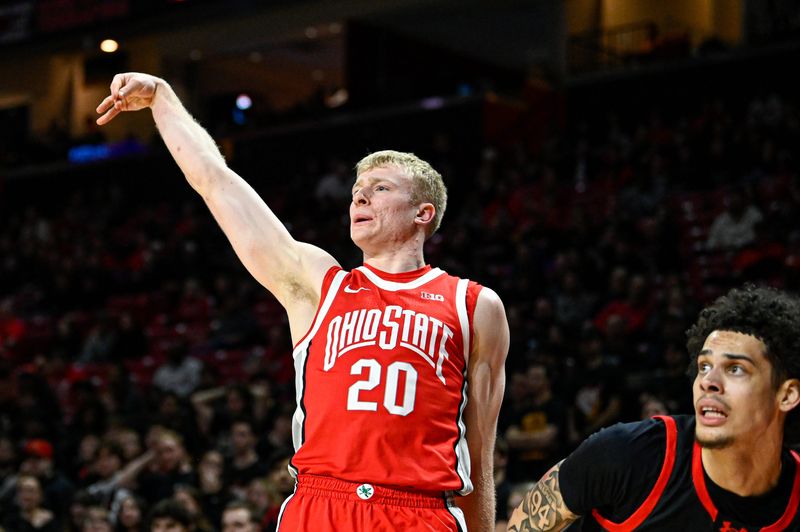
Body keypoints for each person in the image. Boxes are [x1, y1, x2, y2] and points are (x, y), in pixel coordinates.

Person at [96, 73, 509, 531]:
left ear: (423, 212)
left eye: (381, 188)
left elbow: (480, 451)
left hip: (419, 510)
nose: (360, 195)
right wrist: (163, 100)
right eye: (357, 189)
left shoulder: (475, 305)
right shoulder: (318, 283)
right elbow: (218, 183)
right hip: (320, 504)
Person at [507, 284, 800, 531]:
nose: (708, 381)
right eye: (704, 366)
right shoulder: (631, 453)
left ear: (786, 395)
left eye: (735, 368)